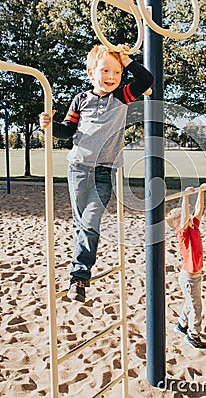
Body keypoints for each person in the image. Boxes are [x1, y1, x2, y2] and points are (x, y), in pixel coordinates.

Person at [40, 44, 153, 303]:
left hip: (104, 172)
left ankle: (79, 276)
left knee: (90, 222)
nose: (111, 76)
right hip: (78, 169)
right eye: (105, 70)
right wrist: (50, 125)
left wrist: (127, 61)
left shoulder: (122, 96)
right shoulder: (81, 99)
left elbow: (146, 79)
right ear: (91, 72)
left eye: (116, 71)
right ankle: (79, 267)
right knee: (81, 222)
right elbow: (68, 130)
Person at [166, 184, 206, 349]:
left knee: (191, 302)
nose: (190, 216)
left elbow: (199, 209)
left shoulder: (194, 226)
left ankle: (181, 325)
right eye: (186, 217)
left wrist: (201, 192)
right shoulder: (182, 233)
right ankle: (193, 335)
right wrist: (185, 196)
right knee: (196, 306)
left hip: (195, 275)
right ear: (179, 224)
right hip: (189, 277)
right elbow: (185, 217)